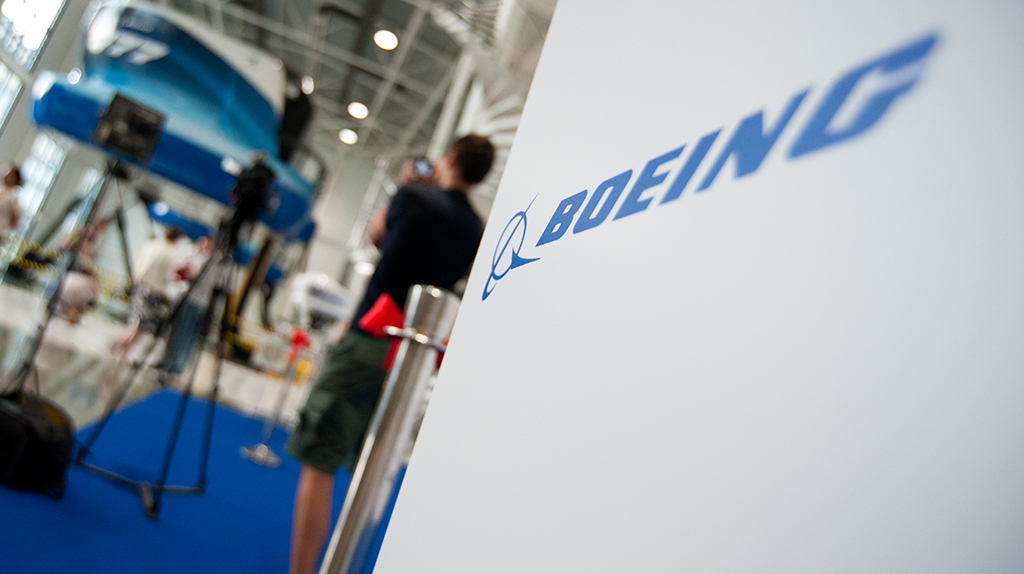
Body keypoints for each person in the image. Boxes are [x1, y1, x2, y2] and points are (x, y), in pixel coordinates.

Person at [285, 134, 495, 574]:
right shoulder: (477, 231)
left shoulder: (414, 197)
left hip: (369, 341)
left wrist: (408, 185)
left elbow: (377, 234)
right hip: (411, 362)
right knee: (371, 470)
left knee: (320, 459)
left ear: (450, 157)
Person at [114, 227, 184, 357]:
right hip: (155, 290)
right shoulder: (172, 254)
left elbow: (139, 262)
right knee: (145, 324)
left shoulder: (151, 244)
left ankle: (123, 342)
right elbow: (168, 275)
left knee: (135, 317)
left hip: (140, 284)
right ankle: (125, 346)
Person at [0, 164, 22, 243]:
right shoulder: (1, 189)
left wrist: (6, 230)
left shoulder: (14, 196)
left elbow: (16, 216)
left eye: (10, 175)